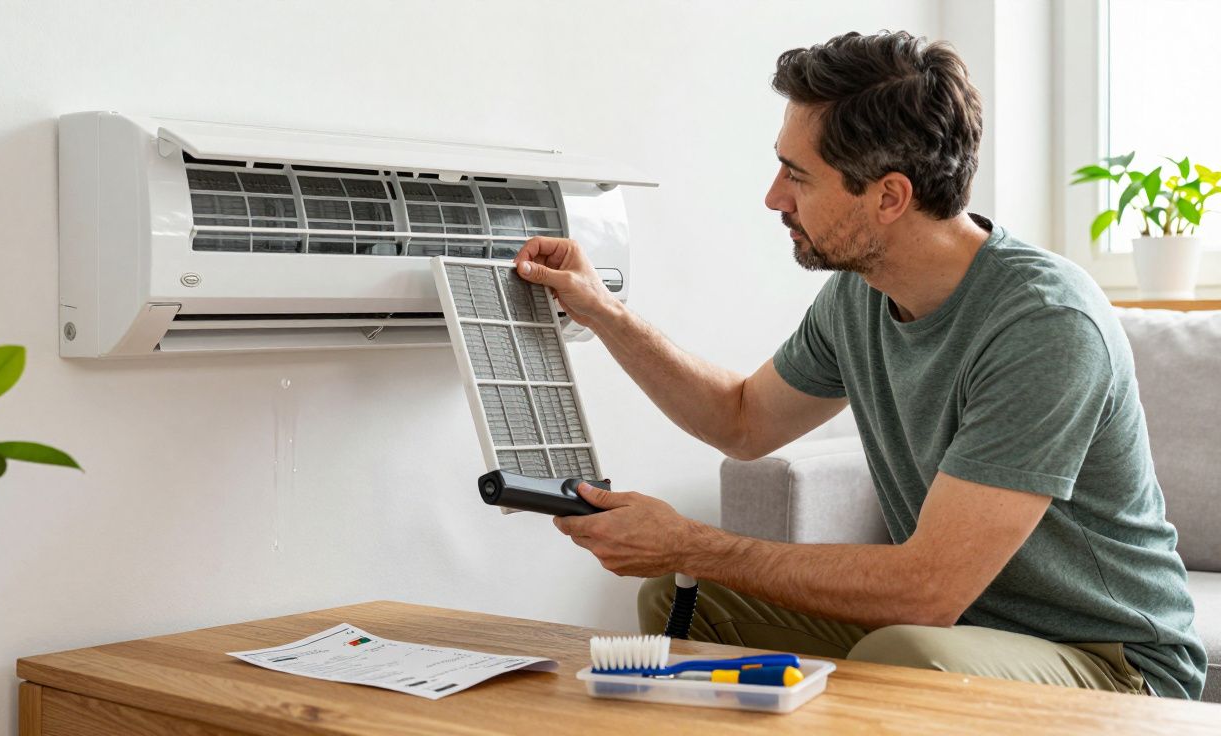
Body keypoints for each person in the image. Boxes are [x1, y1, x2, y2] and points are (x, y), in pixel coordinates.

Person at [511, 30, 1205, 700]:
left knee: (903, 652)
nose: (774, 197)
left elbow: (928, 590)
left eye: (798, 175)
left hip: (1113, 662)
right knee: (681, 597)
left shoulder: (1047, 324)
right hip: (964, 629)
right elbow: (742, 420)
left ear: (889, 196)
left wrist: (691, 540)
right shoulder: (858, 295)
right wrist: (602, 311)